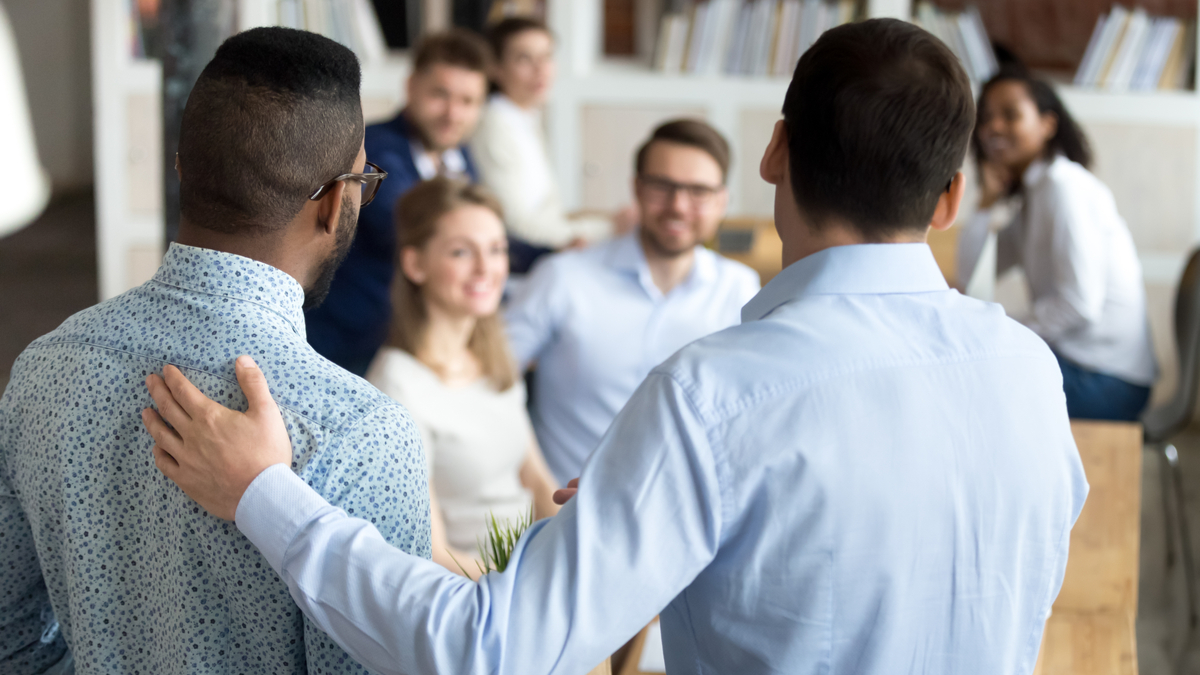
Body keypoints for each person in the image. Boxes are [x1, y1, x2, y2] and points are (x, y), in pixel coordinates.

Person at [142, 19, 1089, 675]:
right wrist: (690, 515)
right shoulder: (1032, 372)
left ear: (772, 153)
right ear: (952, 197)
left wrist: (264, 493)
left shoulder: (718, 396)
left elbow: (485, 649)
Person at [0, 27, 430, 674]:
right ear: (337, 200)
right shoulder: (360, 432)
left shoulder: (44, 367)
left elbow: (12, 641)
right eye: (365, 179)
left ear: (182, 168)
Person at [505, 119, 760, 485]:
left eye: (698, 191)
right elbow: (488, 384)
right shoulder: (563, 277)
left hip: (693, 517)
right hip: (568, 513)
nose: (678, 205)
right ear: (637, 188)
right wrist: (537, 485)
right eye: (663, 186)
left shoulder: (740, 289)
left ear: (723, 201)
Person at [364, 177, 558, 578]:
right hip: (476, 597)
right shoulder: (398, 386)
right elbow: (433, 554)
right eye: (460, 252)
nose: (486, 269)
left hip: (531, 571)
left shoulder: (494, 357)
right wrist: (529, 587)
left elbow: (537, 482)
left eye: (496, 249)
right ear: (415, 264)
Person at [957, 66, 1158, 421]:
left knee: (973, 386)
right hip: (1080, 364)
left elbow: (1079, 304)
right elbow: (971, 276)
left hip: (1109, 380)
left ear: (1047, 125)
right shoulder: (1036, 195)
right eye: (986, 118)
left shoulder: (1065, 189)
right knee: (970, 376)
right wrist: (987, 201)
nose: (993, 128)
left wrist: (1003, 331)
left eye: (1010, 115)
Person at [306, 29, 491, 376]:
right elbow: (416, 229)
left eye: (468, 102)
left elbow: (473, 229)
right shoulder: (373, 149)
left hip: (409, 341)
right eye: (440, 95)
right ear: (411, 87)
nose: (453, 113)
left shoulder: (459, 155)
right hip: (350, 346)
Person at [470, 16, 616, 267]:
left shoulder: (525, 117)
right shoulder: (494, 125)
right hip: (523, 260)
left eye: (547, 56)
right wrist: (608, 229)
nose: (541, 69)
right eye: (524, 58)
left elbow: (548, 211)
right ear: (496, 68)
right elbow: (516, 225)